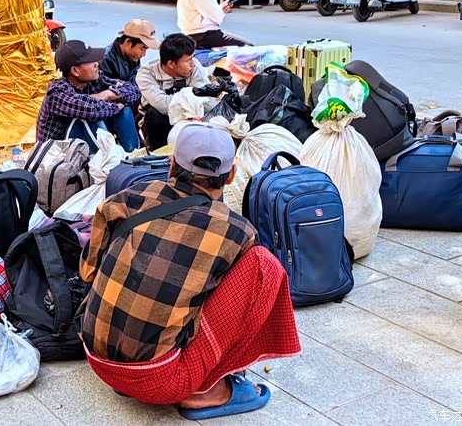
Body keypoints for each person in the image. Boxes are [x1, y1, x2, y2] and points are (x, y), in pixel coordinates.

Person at [78, 122, 301, 420]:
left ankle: (138, 373)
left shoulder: (124, 198)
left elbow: (88, 272)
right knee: (263, 265)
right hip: (161, 382)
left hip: (96, 358)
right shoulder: (236, 230)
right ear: (231, 175)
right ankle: (204, 393)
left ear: (171, 165)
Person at [37, 40, 141, 153]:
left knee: (124, 110)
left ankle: (133, 154)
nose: (97, 64)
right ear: (75, 71)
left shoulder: (95, 79)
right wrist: (119, 104)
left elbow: (133, 90)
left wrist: (107, 94)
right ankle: (112, 157)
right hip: (59, 154)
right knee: (89, 118)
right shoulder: (57, 92)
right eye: (91, 62)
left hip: (84, 146)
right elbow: (92, 110)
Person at [136, 33, 215, 151]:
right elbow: (162, 105)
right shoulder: (147, 73)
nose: (193, 64)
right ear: (171, 64)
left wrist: (188, 101)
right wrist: (191, 98)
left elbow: (208, 102)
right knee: (154, 114)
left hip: (189, 119)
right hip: (159, 123)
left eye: (192, 58)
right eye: (188, 60)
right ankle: (158, 155)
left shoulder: (194, 67)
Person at [100, 19, 161, 84]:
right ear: (128, 42)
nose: (144, 54)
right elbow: (108, 86)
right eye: (142, 48)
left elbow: (135, 77)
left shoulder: (132, 55)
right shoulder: (106, 59)